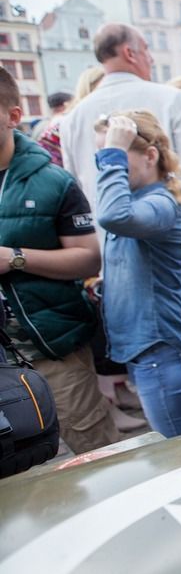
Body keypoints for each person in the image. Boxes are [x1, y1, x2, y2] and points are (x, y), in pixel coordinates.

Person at [0, 67, 118, 454]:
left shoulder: (53, 182)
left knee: (93, 451)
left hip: (51, 346)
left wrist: (15, 258)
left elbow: (87, 259)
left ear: (14, 116)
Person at [94, 110, 181, 439]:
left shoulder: (162, 202)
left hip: (162, 353)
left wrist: (112, 154)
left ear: (150, 156)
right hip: (153, 353)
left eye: (114, 153)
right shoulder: (140, 199)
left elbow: (112, 216)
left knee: (180, 457)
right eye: (101, 154)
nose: (105, 163)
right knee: (178, 451)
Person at [62, 23, 181, 218]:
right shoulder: (171, 99)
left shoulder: (72, 119)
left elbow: (75, 188)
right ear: (129, 53)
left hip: (104, 238)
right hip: (166, 234)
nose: (151, 59)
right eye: (146, 48)